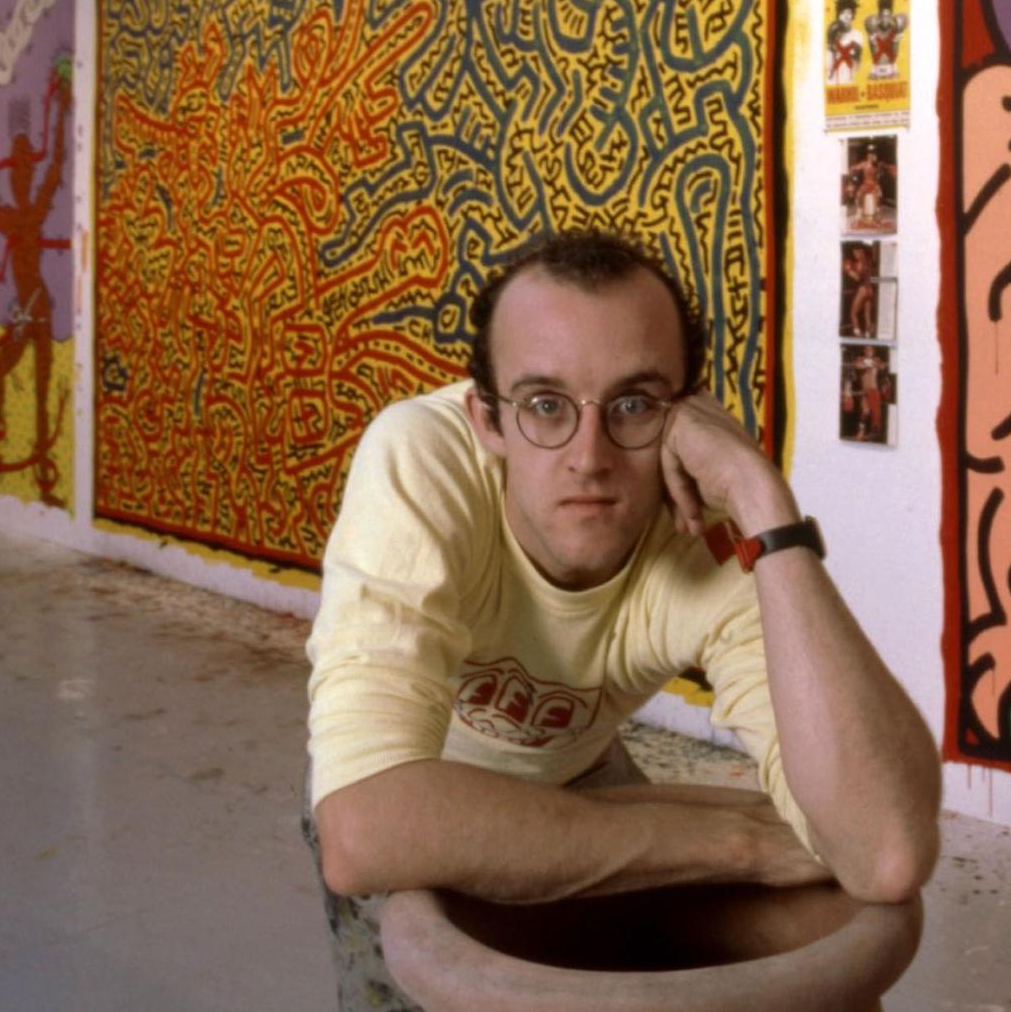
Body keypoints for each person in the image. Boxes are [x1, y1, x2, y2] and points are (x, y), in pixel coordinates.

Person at [303, 230, 941, 1003]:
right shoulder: (421, 461)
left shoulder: (705, 527)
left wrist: (764, 501)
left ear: (687, 414)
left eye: (635, 403)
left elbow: (885, 853)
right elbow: (367, 826)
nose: (589, 456)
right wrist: (735, 842)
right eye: (544, 404)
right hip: (423, 779)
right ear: (488, 421)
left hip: (582, 772)